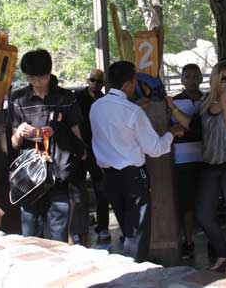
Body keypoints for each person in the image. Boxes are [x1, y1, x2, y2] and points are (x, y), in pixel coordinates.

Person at [90, 61, 184, 262]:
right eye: (134, 81)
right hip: (133, 176)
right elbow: (155, 149)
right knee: (137, 232)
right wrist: (171, 133)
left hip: (109, 176)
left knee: (126, 226)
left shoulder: (96, 107)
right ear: (128, 84)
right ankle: (135, 273)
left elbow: (115, 124)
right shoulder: (133, 112)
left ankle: (130, 267)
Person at [169, 60, 226, 274]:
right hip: (212, 164)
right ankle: (223, 252)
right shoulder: (207, 102)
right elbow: (194, 127)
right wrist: (171, 107)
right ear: (216, 80)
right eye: (223, 78)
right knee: (203, 214)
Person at [8, 49, 84, 242]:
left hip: (59, 172)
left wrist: (57, 131)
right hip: (30, 176)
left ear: (49, 73)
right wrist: (19, 132)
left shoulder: (66, 98)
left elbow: (77, 137)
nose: (35, 82)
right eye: (31, 77)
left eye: (39, 77)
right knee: (30, 231)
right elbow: (15, 143)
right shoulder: (18, 99)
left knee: (58, 233)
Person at [170, 63, 204, 259]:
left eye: (195, 76)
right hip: (182, 159)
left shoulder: (208, 100)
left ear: (201, 78)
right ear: (182, 80)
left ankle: (210, 240)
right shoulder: (174, 102)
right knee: (187, 203)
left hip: (207, 157)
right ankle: (189, 240)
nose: (191, 80)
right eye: (187, 76)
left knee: (207, 201)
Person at [74, 69, 112, 244]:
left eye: (99, 81)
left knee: (102, 190)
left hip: (100, 150)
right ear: (87, 81)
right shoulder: (77, 98)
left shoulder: (106, 100)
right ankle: (78, 228)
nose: (95, 83)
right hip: (81, 150)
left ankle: (102, 227)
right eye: (92, 80)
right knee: (78, 190)